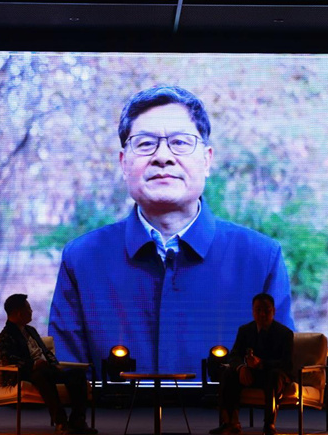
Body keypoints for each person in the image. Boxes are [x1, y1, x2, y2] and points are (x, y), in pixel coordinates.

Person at [49, 85, 294, 378]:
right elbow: (68, 379)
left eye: (180, 142)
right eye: (145, 144)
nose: (162, 156)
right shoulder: (83, 259)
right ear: (124, 163)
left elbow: (280, 370)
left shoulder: (260, 258)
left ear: (207, 160)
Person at [0, 294, 97, 435]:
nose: (31, 311)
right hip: (26, 372)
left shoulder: (30, 330)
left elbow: (45, 351)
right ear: (19, 313)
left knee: (77, 374)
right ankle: (61, 422)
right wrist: (34, 364)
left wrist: (54, 364)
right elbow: (9, 360)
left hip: (46, 369)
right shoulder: (6, 336)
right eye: (28, 308)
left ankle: (77, 420)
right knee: (40, 374)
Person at [209, 293, 293, 435]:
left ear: (273, 310)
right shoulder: (245, 330)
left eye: (266, 310)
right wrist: (241, 367)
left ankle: (269, 424)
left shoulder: (285, 333)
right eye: (258, 310)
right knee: (228, 373)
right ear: (252, 311)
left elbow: (286, 363)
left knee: (274, 376)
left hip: (273, 374)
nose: (262, 314)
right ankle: (230, 423)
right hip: (250, 374)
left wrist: (261, 364)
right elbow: (234, 355)